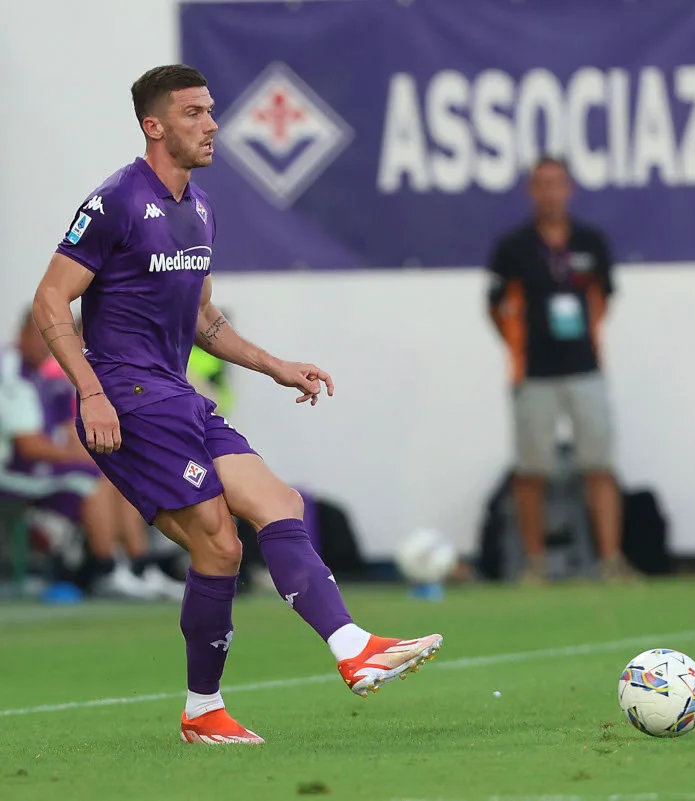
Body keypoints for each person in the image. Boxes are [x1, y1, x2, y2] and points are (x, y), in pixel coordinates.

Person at [31, 64, 442, 744]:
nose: (212, 122)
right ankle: (311, 664)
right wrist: (92, 390)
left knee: (276, 507)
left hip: (173, 393)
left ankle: (256, 688)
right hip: (127, 399)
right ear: (154, 125)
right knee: (221, 538)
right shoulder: (115, 202)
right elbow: (51, 298)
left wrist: (276, 364)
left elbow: (204, 320)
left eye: (211, 110)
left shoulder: (200, 207)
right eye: (194, 112)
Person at [486, 156, 637, 584]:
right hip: (533, 372)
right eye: (541, 185)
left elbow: (602, 300)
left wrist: (586, 340)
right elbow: (495, 306)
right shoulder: (513, 246)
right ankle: (534, 564)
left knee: (600, 463)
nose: (550, 193)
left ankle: (611, 560)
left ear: (569, 189)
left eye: (557, 184)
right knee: (531, 469)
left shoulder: (591, 241)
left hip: (585, 368)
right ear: (531, 191)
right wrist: (518, 345)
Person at [0, 309, 183, 601]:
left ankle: (139, 567)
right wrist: (88, 460)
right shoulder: (14, 371)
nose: (48, 344)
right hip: (12, 472)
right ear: (23, 334)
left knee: (116, 473)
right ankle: (106, 569)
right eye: (42, 336)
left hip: (39, 468)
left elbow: (67, 432)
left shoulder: (44, 375)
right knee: (94, 479)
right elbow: (29, 447)